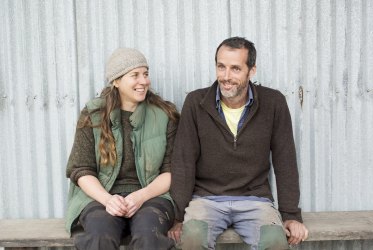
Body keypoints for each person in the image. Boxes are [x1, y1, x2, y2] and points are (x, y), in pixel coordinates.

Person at [168, 37, 308, 250]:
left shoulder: (273, 103)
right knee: (193, 239)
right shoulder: (196, 102)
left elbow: (285, 161)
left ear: (251, 71)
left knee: (275, 243)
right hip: (206, 199)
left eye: (235, 69)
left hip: (256, 200)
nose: (226, 76)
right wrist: (178, 217)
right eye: (221, 67)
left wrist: (290, 215)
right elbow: (184, 161)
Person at [65, 48, 179, 250]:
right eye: (135, 75)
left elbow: (172, 171)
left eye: (145, 74)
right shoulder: (93, 115)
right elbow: (81, 169)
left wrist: (141, 196)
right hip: (102, 197)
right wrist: (108, 200)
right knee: (100, 234)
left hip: (152, 197)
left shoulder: (164, 115)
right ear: (116, 81)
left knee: (148, 234)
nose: (143, 81)